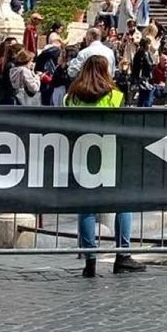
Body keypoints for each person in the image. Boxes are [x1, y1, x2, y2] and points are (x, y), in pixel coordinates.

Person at [66, 56, 140, 277]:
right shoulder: (115, 96)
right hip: (110, 153)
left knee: (86, 208)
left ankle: (89, 261)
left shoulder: (72, 97)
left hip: (81, 154)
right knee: (123, 203)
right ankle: (122, 254)